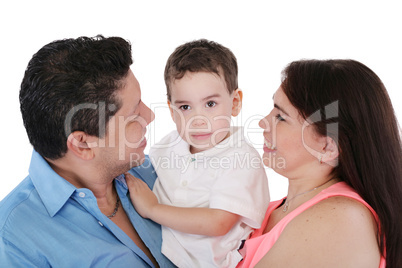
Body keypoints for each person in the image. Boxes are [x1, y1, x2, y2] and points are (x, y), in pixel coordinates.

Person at [0, 35, 175, 267]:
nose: (149, 116)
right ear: (82, 144)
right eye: (134, 113)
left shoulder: (154, 173)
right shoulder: (13, 240)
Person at [238, 59, 402, 268]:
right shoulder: (266, 210)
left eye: (280, 117)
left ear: (326, 147)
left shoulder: (341, 220)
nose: (262, 122)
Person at [126, 39, 270, 267]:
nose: (198, 120)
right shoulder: (169, 145)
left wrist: (153, 209)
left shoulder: (241, 159)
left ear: (234, 103)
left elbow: (218, 223)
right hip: (162, 253)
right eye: (185, 107)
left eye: (210, 104)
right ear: (172, 111)